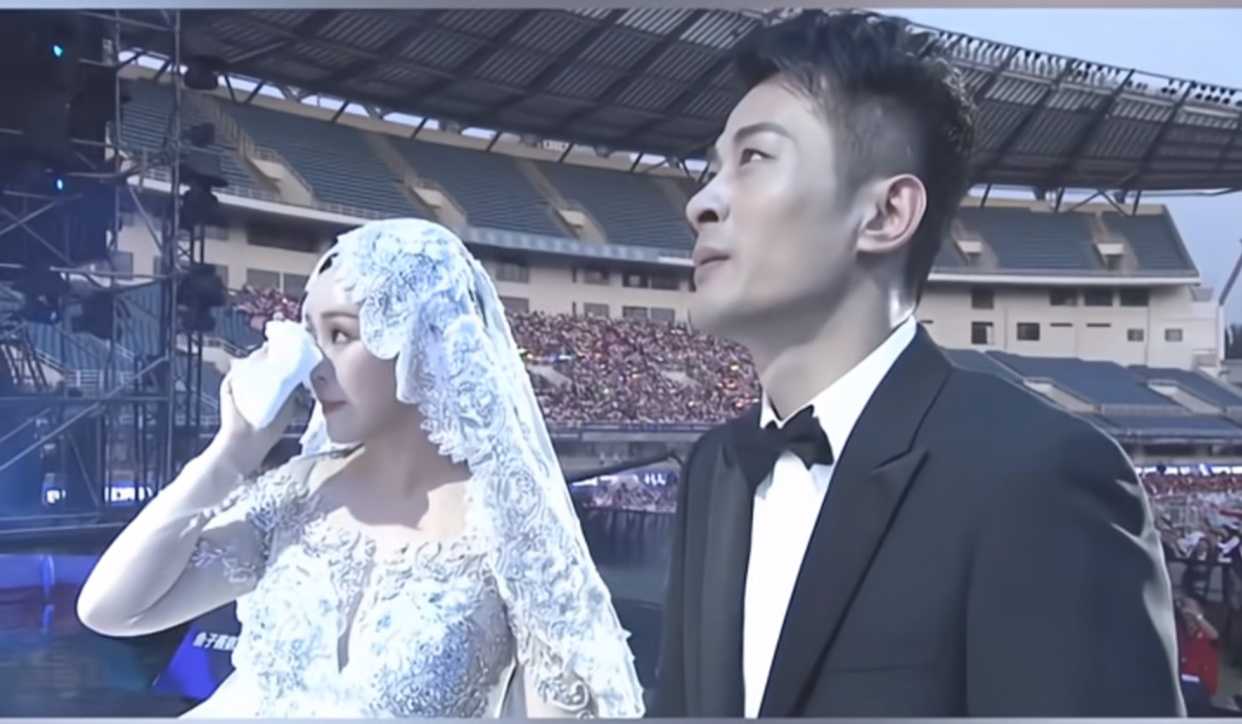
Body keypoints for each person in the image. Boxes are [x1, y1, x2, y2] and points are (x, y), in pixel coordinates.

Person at [650, 9, 1183, 718]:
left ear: (885, 214)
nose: (701, 202)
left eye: (754, 158)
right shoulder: (714, 469)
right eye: (713, 167)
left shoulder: (1037, 475)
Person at [77, 218, 645, 718]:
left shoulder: (513, 531)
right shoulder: (297, 495)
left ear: (423, 341)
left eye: (341, 334)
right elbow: (112, 610)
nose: (314, 366)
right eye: (311, 335)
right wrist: (230, 455)